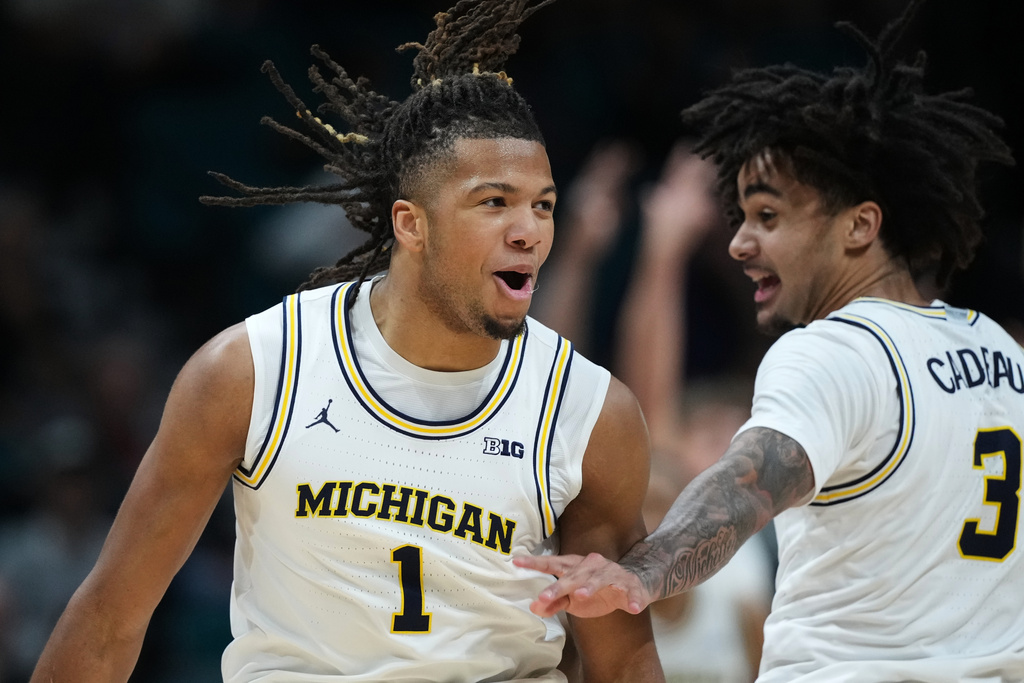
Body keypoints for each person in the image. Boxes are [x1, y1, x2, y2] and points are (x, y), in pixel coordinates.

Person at [29, 1, 663, 681]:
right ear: (411, 224)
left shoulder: (592, 412)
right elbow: (109, 619)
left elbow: (622, 664)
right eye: (494, 202)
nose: (529, 230)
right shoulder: (252, 370)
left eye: (542, 204)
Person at [515, 0, 1024, 680]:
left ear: (859, 226)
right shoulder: (1000, 352)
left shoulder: (836, 351)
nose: (739, 242)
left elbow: (742, 484)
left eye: (767, 215)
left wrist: (642, 571)